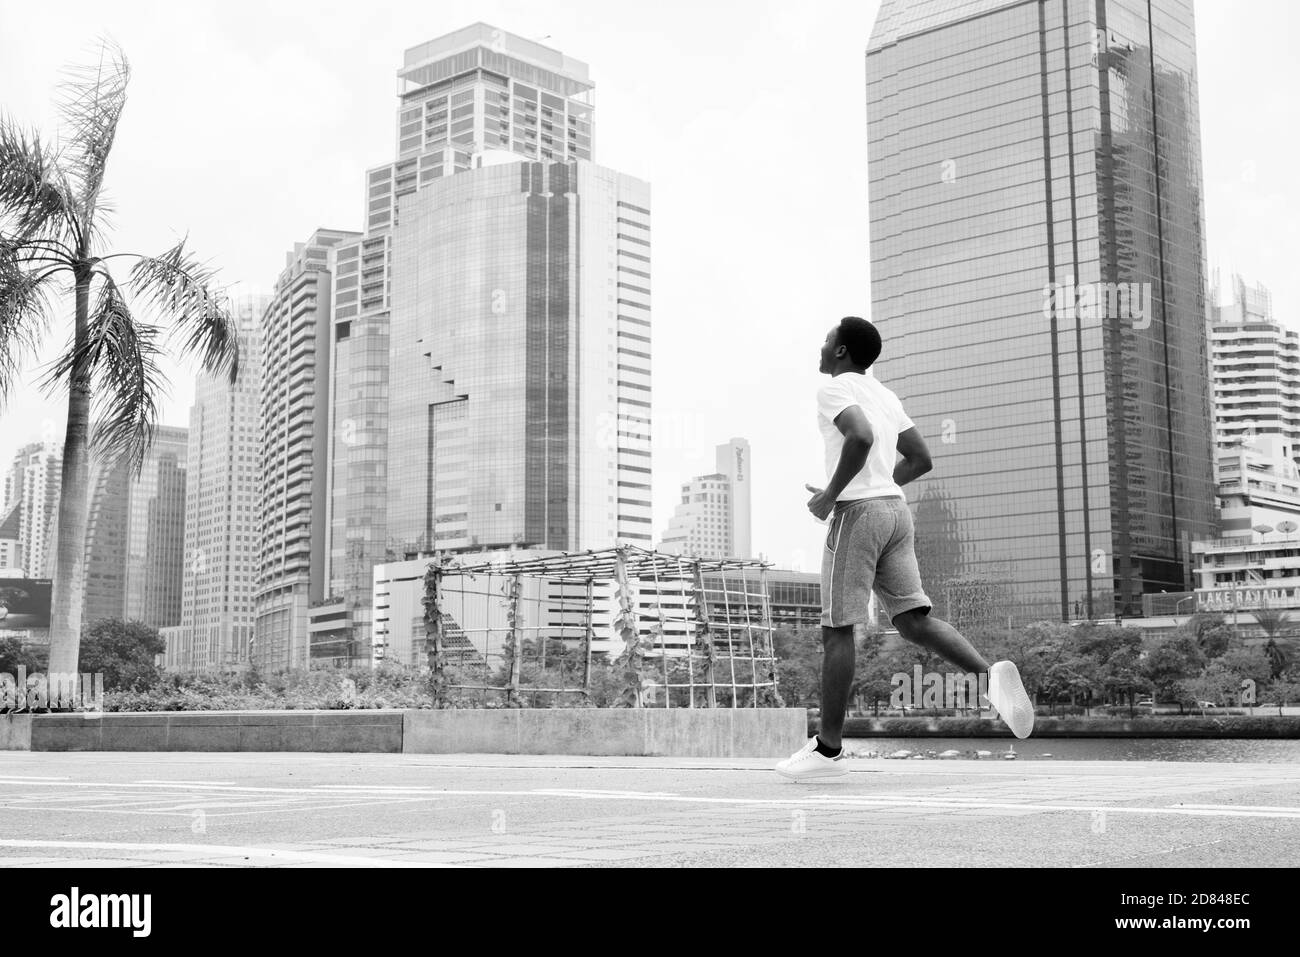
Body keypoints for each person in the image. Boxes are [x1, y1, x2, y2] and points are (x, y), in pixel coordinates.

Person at [775, 317, 1034, 782]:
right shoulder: (886, 395)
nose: (822, 344)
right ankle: (989, 677)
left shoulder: (834, 390)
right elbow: (921, 458)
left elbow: (860, 437)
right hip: (896, 512)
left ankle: (828, 750)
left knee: (838, 629)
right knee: (913, 621)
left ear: (840, 352)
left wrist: (833, 494)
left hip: (858, 516)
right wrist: (877, 488)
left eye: (827, 339)